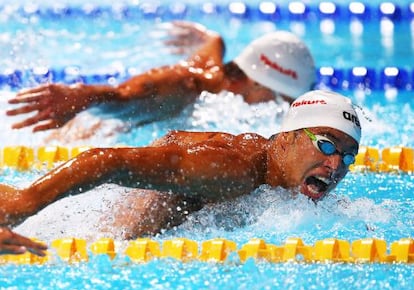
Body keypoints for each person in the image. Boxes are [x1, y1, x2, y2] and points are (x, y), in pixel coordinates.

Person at [0, 90, 361, 239]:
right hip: (86, 238)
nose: (335, 165)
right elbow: (107, 160)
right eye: (326, 145)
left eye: (347, 156)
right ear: (286, 137)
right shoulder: (234, 169)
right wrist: (27, 201)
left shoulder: (272, 178)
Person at [6, 21, 315, 140]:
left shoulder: (215, 67)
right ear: (258, 82)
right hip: (65, 135)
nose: (278, 110)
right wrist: (82, 96)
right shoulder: (187, 86)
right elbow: (124, 96)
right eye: (279, 100)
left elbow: (212, 47)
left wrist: (212, 39)